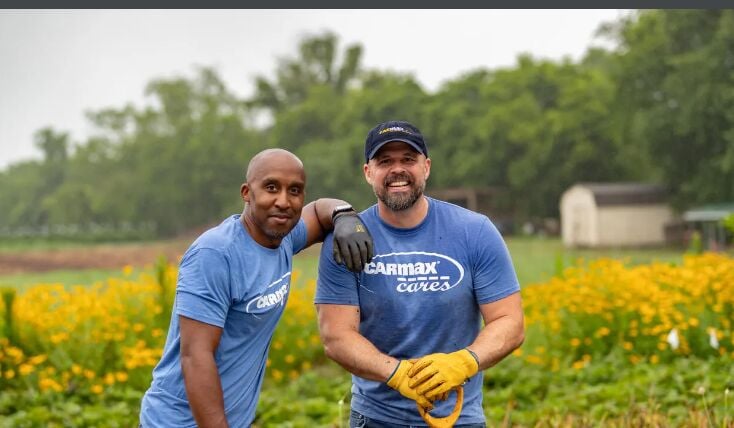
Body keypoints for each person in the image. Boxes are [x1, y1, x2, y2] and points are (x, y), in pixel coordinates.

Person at [139, 148, 373, 427]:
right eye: (271, 187)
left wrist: (343, 214)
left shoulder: (284, 237)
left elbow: (320, 209)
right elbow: (195, 357)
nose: (283, 201)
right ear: (247, 192)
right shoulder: (215, 254)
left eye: (295, 190)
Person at [315, 121, 525, 427]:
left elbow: (510, 321)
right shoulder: (346, 241)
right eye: (384, 161)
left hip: (459, 419)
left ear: (426, 167)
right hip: (375, 419)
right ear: (367, 172)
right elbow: (336, 336)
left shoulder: (475, 231)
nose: (397, 169)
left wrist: (465, 361)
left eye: (408, 160)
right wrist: (396, 373)